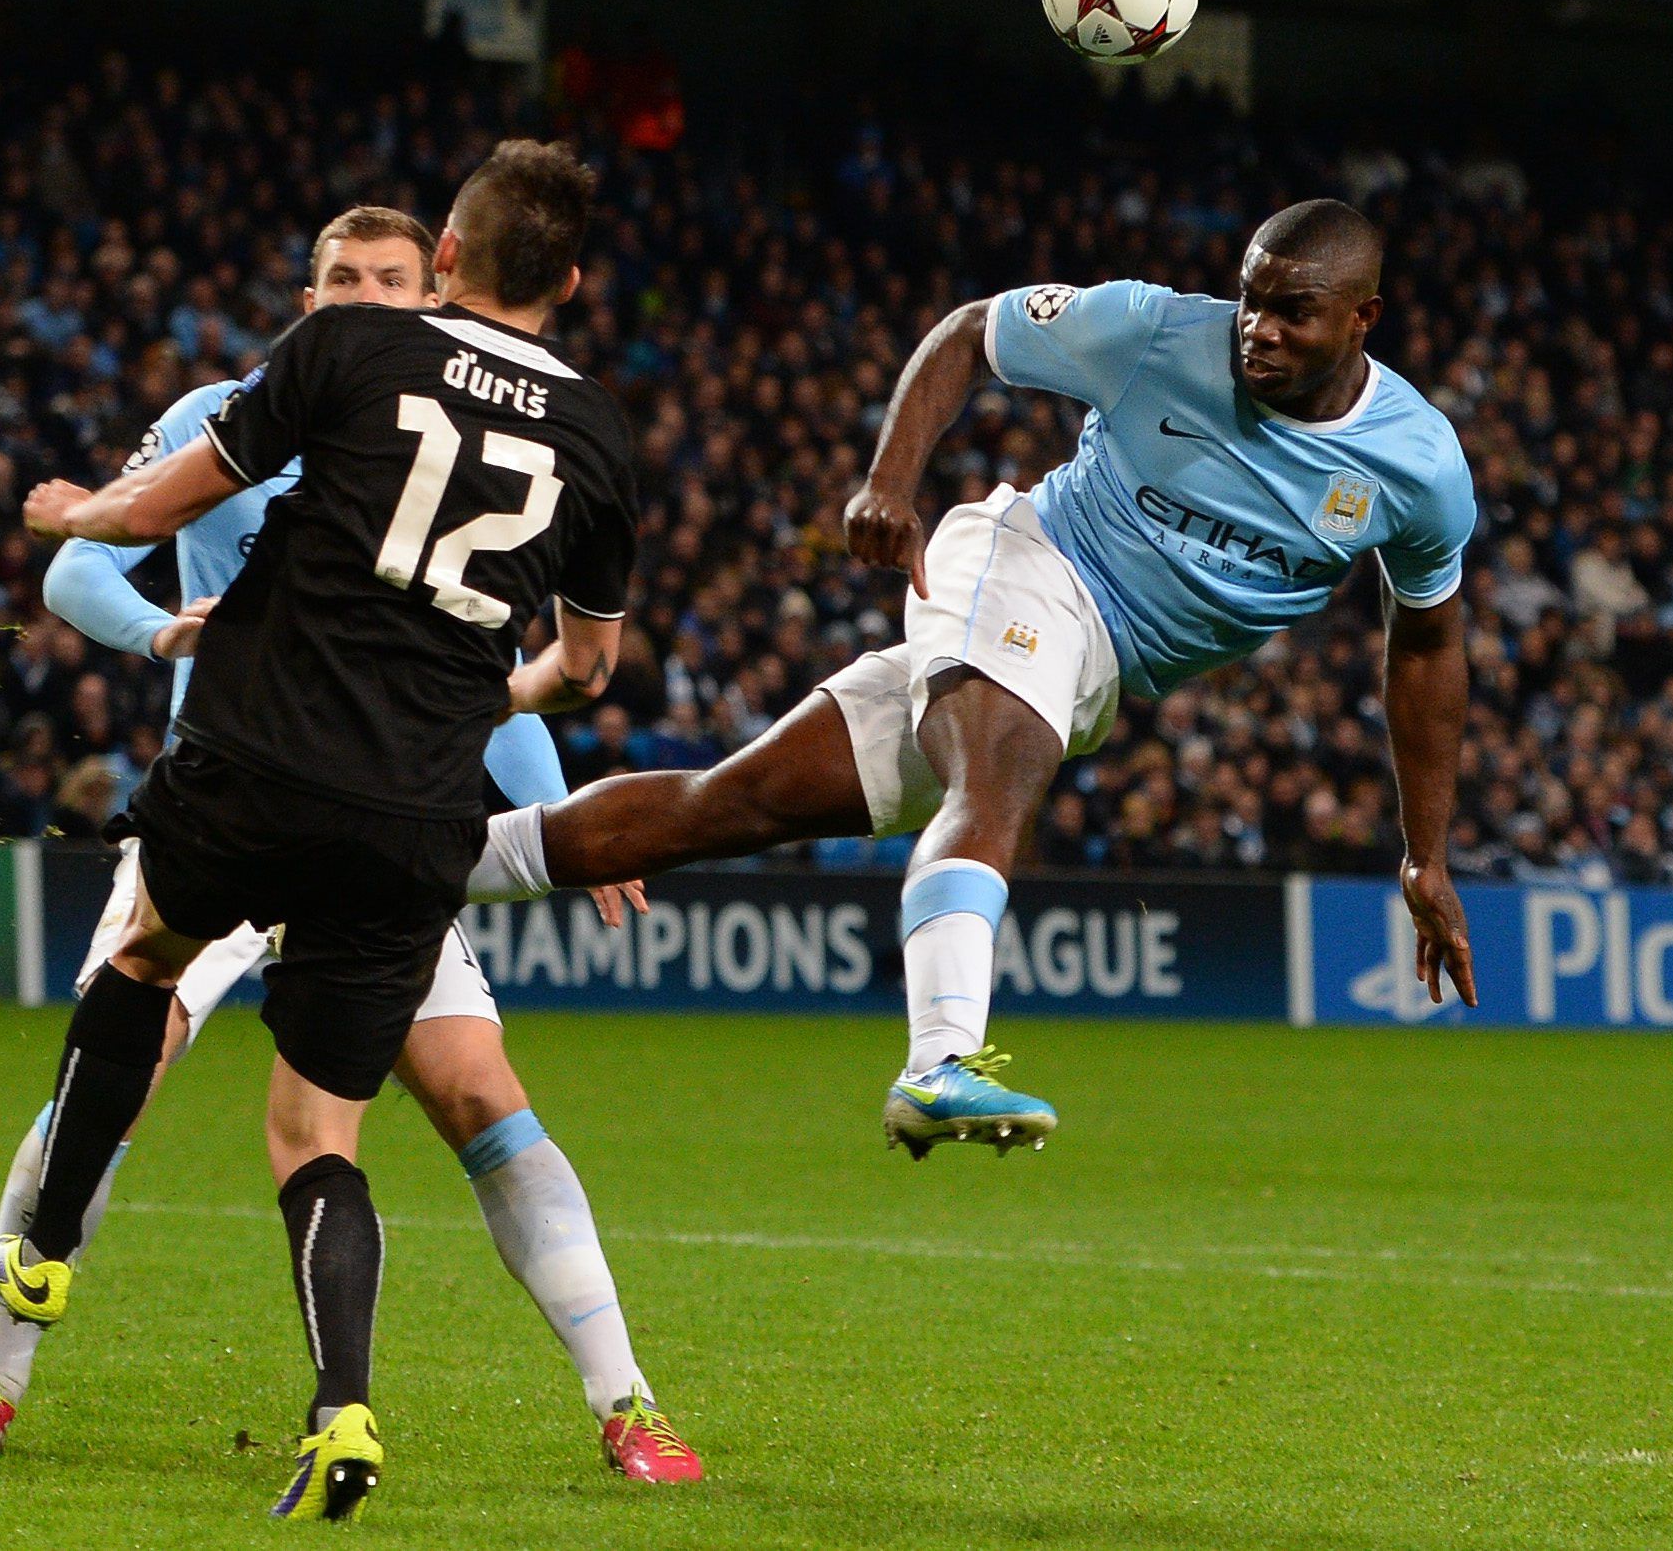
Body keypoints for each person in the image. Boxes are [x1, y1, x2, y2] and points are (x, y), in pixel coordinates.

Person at [0, 206, 696, 1486]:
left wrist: (563, 819)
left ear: (431, 282)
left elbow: (479, 666)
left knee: (479, 1097)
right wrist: (167, 636)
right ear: (311, 288)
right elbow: (70, 577)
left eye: (387, 279)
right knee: (121, 1074)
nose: (364, 296)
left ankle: (630, 1406)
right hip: (229, 794)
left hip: (367, 802)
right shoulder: (244, 401)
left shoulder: (441, 419)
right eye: (342, 278)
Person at [471, 199, 1478, 1155]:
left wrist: (1422, 852)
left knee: (722, 806)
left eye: (1293, 312)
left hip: (1091, 673)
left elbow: (1425, 643)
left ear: (1362, 319)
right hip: (1027, 565)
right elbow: (969, 333)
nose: (1256, 328)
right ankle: (939, 1061)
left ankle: (409, 861)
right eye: (1252, 298)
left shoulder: (1414, 467)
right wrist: (888, 482)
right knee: (999, 774)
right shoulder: (1157, 330)